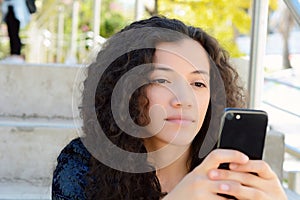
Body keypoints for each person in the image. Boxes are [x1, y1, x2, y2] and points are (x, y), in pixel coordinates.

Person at [52, 16, 287, 199]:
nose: (184, 99)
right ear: (126, 91)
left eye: (198, 83)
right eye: (162, 81)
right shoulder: (83, 163)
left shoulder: (232, 173)